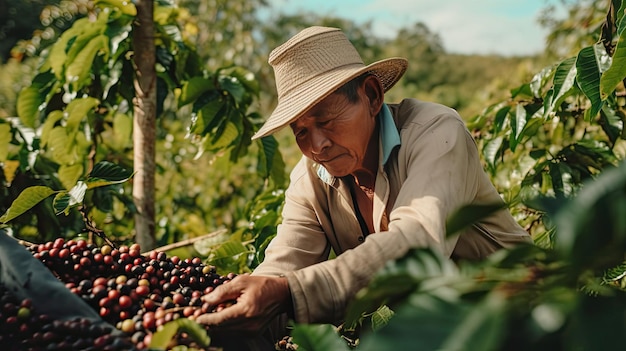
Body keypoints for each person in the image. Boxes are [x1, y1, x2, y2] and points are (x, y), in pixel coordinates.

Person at [196, 26, 532, 348]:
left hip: (528, 323)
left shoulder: (435, 132)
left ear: (371, 95)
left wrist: (288, 291)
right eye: (300, 132)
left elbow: (419, 242)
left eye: (326, 120)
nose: (317, 145)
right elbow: (284, 266)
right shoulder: (310, 179)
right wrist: (216, 314)